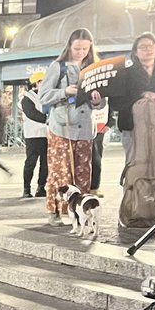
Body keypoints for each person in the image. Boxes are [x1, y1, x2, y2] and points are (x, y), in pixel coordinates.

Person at [37, 29, 105, 226]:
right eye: (77, 48)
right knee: (60, 170)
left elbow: (102, 103)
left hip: (85, 127)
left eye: (85, 48)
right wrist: (64, 91)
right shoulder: (58, 67)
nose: (81, 52)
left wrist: (98, 100)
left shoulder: (94, 67)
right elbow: (44, 96)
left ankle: (80, 211)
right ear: (69, 46)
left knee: (84, 171)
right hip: (62, 125)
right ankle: (55, 209)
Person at [105, 32, 155, 176]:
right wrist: (141, 96)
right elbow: (115, 102)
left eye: (150, 46)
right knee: (133, 167)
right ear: (135, 52)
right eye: (143, 47)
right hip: (132, 128)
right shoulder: (124, 74)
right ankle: (132, 197)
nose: (147, 50)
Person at [20, 72, 50, 198]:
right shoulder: (27, 98)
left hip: (46, 134)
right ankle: (27, 189)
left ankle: (41, 187)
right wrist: (47, 119)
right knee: (31, 162)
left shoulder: (47, 96)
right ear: (37, 83)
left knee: (46, 163)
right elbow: (31, 113)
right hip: (33, 135)